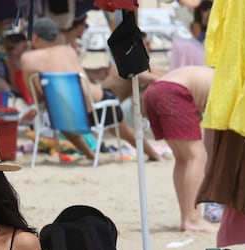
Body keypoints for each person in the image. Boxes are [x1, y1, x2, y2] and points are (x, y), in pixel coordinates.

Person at [20, 17, 162, 162]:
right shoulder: (68, 51)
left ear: (35, 37)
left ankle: (91, 155)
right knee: (122, 128)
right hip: (97, 109)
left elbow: (37, 98)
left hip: (64, 116)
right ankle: (154, 155)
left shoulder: (28, 59)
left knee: (63, 123)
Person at [143, 65, 217, 233]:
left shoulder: (214, 74)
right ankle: (193, 218)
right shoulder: (235, 85)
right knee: (196, 158)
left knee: (184, 159)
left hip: (155, 90)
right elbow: (214, 134)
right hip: (173, 92)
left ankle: (187, 216)